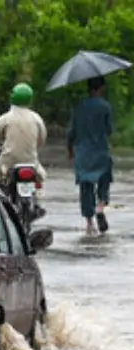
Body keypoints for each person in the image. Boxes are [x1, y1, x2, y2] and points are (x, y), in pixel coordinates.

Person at [0, 83, 47, 187]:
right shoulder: (37, 119)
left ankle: (0, 193)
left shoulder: (5, 118)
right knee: (40, 177)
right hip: (30, 162)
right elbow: (41, 140)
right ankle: (35, 196)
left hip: (9, 162)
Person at [68, 75, 113, 236]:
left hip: (83, 152)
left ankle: (89, 224)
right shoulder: (105, 106)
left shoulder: (79, 106)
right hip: (101, 150)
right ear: (100, 88)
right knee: (104, 179)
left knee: (85, 186)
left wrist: (70, 150)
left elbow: (71, 131)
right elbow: (109, 130)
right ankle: (100, 206)